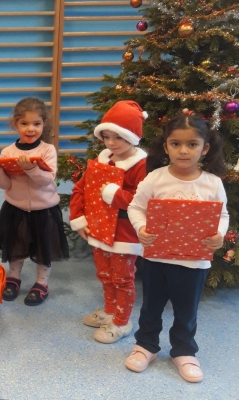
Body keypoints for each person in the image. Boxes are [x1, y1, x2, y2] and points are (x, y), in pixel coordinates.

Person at [125, 114, 227, 383]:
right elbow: (135, 207)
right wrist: (141, 229)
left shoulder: (212, 183)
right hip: (158, 258)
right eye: (176, 144)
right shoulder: (155, 179)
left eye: (192, 144)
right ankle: (146, 345)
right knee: (151, 306)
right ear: (166, 146)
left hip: (194, 263)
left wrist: (219, 234)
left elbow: (222, 215)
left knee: (186, 310)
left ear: (204, 148)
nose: (183, 151)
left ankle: (183, 350)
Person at [69, 100, 148, 343]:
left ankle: (122, 322)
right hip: (98, 228)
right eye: (106, 136)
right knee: (104, 273)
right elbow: (80, 189)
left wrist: (114, 195)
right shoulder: (102, 158)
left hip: (124, 234)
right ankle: (110, 311)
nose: (111, 143)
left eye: (119, 137)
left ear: (133, 137)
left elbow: (142, 201)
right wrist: (79, 219)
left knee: (123, 278)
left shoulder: (141, 165)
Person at [0, 98, 69, 306]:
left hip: (44, 209)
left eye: (36, 124)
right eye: (24, 124)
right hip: (16, 208)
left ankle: (41, 283)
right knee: (16, 246)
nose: (31, 129)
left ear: (43, 125)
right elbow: (6, 185)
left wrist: (31, 169)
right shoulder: (8, 152)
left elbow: (46, 180)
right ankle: (14, 278)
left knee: (43, 248)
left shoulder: (47, 150)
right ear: (16, 124)